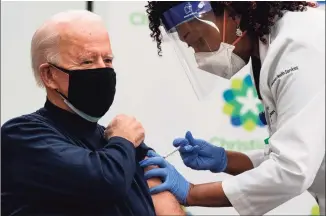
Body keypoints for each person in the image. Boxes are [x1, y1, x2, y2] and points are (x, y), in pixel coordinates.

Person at [140, 1, 325, 215]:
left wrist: (191, 193)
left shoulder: (296, 47)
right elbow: (298, 154)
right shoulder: (274, 45)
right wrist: (226, 160)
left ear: (232, 14)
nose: (200, 59)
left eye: (198, 41)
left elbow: (292, 170)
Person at [1, 10, 185, 216]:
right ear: (49, 75)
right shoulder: (23, 135)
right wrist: (124, 139)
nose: (102, 70)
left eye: (107, 60)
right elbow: (105, 182)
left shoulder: (117, 141)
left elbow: (167, 207)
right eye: (87, 61)